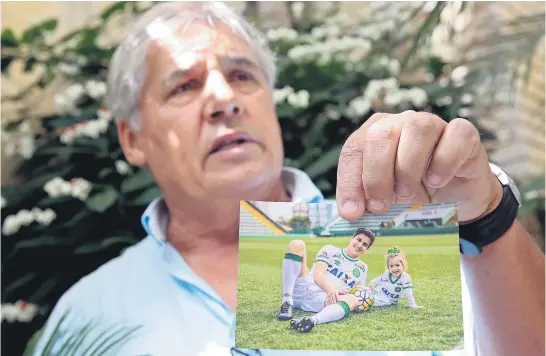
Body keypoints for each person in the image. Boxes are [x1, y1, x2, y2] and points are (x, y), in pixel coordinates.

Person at [33, 2, 544, 356]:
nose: (224, 100)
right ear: (133, 139)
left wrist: (487, 217)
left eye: (242, 76)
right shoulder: (85, 313)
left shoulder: (408, 241)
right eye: (184, 86)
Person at [277, 228, 375, 333]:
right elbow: (318, 274)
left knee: (353, 300)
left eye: (365, 244)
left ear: (366, 249)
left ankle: (312, 321)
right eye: (358, 240)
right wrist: (330, 289)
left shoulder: (363, 268)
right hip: (304, 288)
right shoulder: (330, 249)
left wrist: (367, 293)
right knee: (297, 244)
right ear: (351, 239)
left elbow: (356, 292)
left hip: (323, 300)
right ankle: (287, 301)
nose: (360, 245)